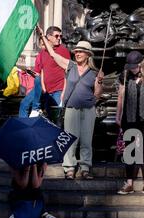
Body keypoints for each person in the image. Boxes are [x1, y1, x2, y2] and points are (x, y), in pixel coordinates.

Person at [38, 26, 104, 180]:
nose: (77, 53)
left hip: (88, 110)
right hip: (71, 109)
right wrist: (43, 36)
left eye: (81, 51)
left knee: (87, 141)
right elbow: (53, 54)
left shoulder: (94, 72)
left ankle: (85, 168)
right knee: (70, 139)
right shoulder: (70, 66)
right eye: (76, 51)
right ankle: (69, 168)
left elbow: (98, 94)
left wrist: (100, 82)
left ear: (88, 54)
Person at [116, 51, 144, 194]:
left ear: (141, 64)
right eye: (130, 66)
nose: (132, 69)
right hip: (129, 118)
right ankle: (129, 183)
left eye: (134, 66)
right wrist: (118, 115)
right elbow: (121, 96)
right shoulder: (125, 76)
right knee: (130, 150)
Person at [37, 26, 71, 124]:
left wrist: (64, 92)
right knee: (48, 120)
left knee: (58, 120)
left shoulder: (63, 50)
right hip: (47, 92)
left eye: (60, 36)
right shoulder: (43, 52)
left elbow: (67, 72)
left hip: (59, 91)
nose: (59, 38)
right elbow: (43, 69)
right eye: (56, 36)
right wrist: (43, 87)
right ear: (49, 37)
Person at [19, 38, 46, 118]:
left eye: (45, 44)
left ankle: (35, 110)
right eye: (42, 44)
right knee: (24, 104)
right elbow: (38, 73)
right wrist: (31, 72)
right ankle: (24, 126)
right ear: (39, 45)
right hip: (39, 84)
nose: (43, 46)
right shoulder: (39, 56)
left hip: (47, 85)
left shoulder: (51, 55)